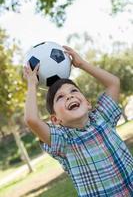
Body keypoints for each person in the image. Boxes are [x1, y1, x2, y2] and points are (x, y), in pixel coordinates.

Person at [23, 46, 133, 197]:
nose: (69, 96)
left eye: (73, 91)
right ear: (55, 119)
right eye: (60, 97)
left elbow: (113, 83)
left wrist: (82, 64)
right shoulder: (63, 141)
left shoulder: (102, 118)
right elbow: (31, 119)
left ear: (88, 103)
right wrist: (31, 84)